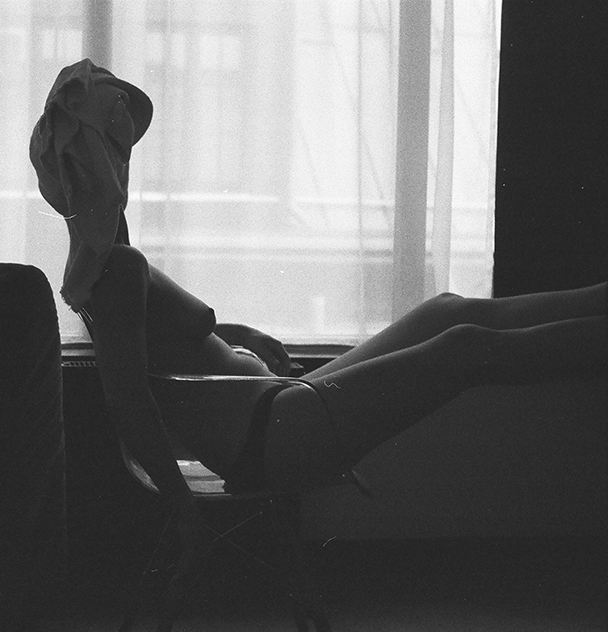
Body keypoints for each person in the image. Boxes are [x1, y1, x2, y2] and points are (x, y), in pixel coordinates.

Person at [30, 60, 607, 521]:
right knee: (465, 346)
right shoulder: (115, 271)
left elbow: (156, 345)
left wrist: (236, 332)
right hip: (271, 436)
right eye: (115, 150)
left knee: (446, 311)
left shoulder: (110, 265)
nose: (125, 164)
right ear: (99, 165)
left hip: (279, 407)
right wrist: (182, 509)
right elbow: (129, 400)